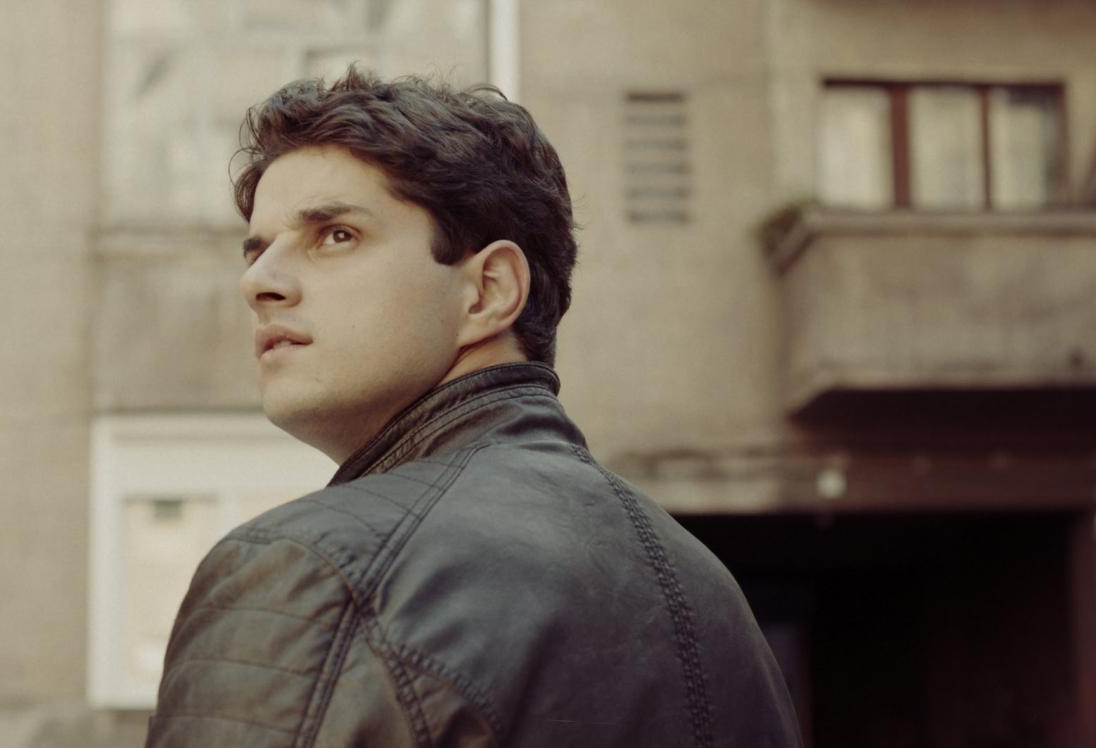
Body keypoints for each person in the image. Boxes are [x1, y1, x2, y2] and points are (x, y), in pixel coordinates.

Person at [147, 66, 801, 747]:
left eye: (335, 235)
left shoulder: (318, 569)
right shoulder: (709, 595)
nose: (259, 283)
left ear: (488, 291)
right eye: (257, 251)